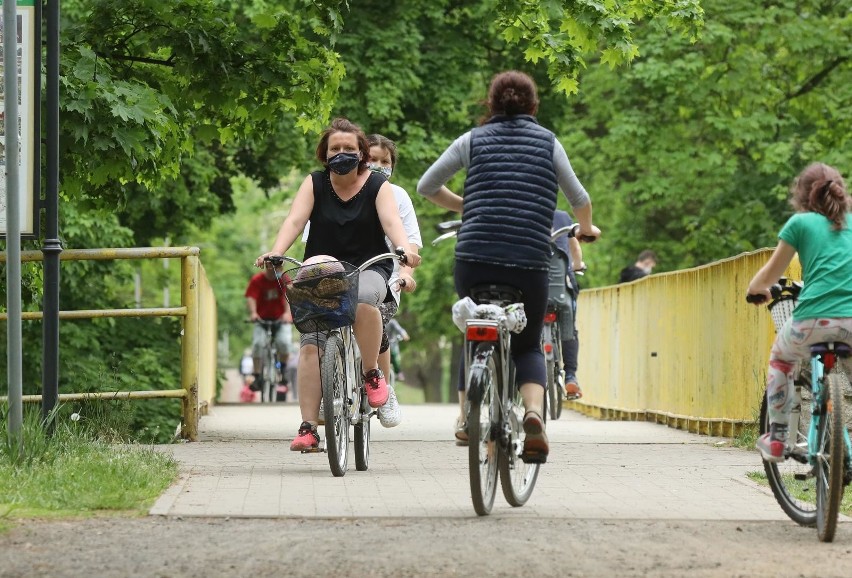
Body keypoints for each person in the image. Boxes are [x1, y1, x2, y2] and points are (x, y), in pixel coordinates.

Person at [417, 70, 600, 463]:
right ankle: (533, 413)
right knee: (528, 343)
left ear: (490, 103)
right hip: (528, 261)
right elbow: (579, 198)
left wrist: (468, 206)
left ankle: (468, 415)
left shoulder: (472, 140)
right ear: (534, 106)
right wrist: (585, 229)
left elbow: (427, 186)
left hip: (474, 257)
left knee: (475, 328)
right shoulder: (548, 142)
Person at [256, 117, 421, 451]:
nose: (342, 153)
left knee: (363, 301)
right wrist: (276, 251)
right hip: (322, 269)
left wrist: (403, 249)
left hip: (368, 267)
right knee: (311, 341)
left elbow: (391, 222)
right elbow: (295, 220)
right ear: (324, 153)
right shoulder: (315, 183)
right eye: (335, 148)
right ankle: (307, 428)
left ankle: (372, 373)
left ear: (361, 153)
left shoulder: (377, 185)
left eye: (349, 148)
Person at [747, 162, 852, 462]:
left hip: (813, 319)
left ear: (803, 195)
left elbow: (769, 275)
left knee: (780, 358)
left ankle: (778, 438)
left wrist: (755, 291)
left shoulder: (800, 224)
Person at [367, 133, 422, 427]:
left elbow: (410, 242)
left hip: (386, 279)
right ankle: (331, 384)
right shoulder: (338, 190)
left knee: (375, 320)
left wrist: (405, 274)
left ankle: (385, 391)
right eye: (372, 159)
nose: (378, 165)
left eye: (384, 161)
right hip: (345, 276)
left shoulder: (398, 196)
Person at [244, 261, 293, 396]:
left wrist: (287, 314)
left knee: (284, 343)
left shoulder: (284, 278)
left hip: (280, 319)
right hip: (262, 319)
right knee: (258, 343)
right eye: (276, 266)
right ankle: (257, 374)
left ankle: (282, 371)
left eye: (280, 266)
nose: (279, 269)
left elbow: (288, 295)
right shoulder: (257, 280)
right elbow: (251, 297)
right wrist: (253, 313)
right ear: (268, 267)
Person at [551, 209, 585, 399]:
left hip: (534, 283)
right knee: (570, 329)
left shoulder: (523, 212)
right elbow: (574, 249)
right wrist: (578, 265)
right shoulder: (563, 218)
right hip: (562, 287)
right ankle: (570, 375)